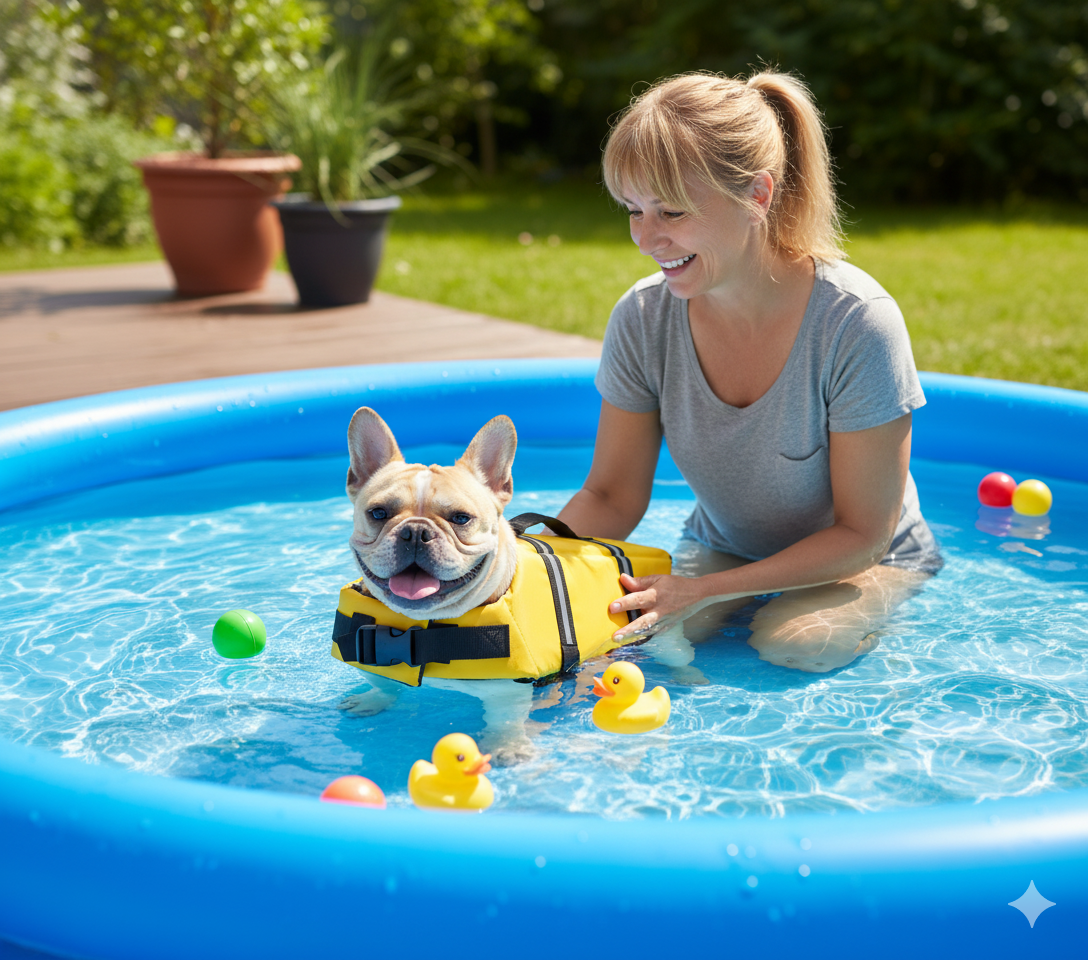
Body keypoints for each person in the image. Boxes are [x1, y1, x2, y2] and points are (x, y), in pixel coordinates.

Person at [556, 70, 943, 674]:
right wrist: (521, 562)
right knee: (634, 644)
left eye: (673, 211)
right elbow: (611, 494)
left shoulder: (855, 323)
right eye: (633, 210)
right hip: (726, 549)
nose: (647, 238)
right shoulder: (642, 318)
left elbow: (863, 533)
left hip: (868, 559)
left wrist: (707, 591)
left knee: (795, 643)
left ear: (758, 196)